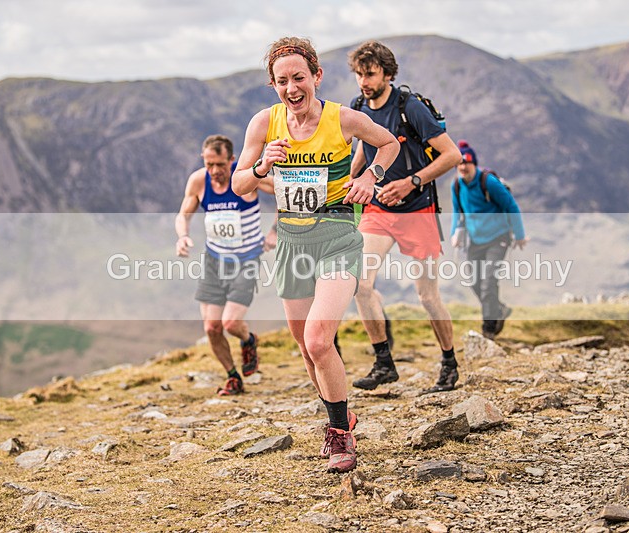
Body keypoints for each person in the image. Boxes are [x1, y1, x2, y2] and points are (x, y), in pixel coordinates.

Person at [232, 37, 399, 473]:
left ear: (316, 77)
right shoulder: (262, 125)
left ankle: (341, 435)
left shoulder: (343, 118)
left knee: (319, 339)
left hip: (338, 235)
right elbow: (238, 185)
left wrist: (371, 177)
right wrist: (260, 166)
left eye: (299, 77)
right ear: (273, 84)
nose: (292, 87)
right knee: (307, 351)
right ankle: (341, 414)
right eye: (282, 80)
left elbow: (390, 144)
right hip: (291, 241)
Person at [347, 40, 462, 395]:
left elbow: (451, 155)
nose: (364, 81)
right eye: (358, 74)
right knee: (360, 285)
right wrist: (351, 182)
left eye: (370, 74)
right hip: (379, 208)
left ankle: (449, 363)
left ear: (388, 74)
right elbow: (365, 151)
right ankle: (384, 363)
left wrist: (411, 181)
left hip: (416, 209)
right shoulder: (358, 107)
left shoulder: (410, 108)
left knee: (427, 295)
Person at [175, 135, 276, 396]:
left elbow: (285, 193)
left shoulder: (246, 177)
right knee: (211, 327)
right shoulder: (199, 181)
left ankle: (248, 339)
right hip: (214, 261)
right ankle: (233, 376)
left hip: (246, 260)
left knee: (230, 323)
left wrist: (276, 230)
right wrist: (183, 235)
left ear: (232, 160)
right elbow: (183, 214)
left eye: (220, 164)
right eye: (210, 164)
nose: (215, 171)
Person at [450, 141, 527, 339]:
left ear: (474, 163)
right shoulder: (457, 185)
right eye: (459, 164)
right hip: (475, 239)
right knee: (474, 280)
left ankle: (489, 329)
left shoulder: (488, 182)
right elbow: (457, 212)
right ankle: (499, 308)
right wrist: (455, 232)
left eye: (466, 163)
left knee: (489, 281)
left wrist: (519, 235)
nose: (463, 168)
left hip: (498, 238)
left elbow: (511, 206)